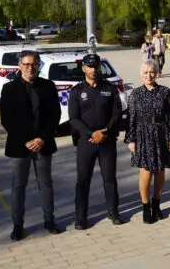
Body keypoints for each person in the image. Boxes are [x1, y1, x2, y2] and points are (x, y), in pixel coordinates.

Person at [0, 51, 63, 241]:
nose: (30, 68)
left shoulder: (48, 87)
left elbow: (55, 116)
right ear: (19, 66)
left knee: (45, 184)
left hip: (43, 144)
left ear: (39, 65)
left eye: (34, 64)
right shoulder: (9, 89)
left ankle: (49, 220)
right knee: (18, 186)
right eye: (26, 64)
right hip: (20, 147)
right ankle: (18, 225)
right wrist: (25, 141)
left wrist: (42, 139)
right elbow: (7, 120)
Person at [69, 54, 126, 229]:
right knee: (83, 180)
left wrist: (105, 131)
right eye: (90, 67)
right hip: (86, 142)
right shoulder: (77, 91)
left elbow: (117, 113)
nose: (94, 70)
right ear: (84, 68)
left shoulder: (110, 88)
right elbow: (73, 118)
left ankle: (113, 211)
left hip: (107, 140)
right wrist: (90, 133)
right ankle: (81, 217)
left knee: (109, 178)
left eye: (96, 66)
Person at [124, 59, 170, 224]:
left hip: (161, 134)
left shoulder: (164, 91)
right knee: (146, 173)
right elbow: (131, 118)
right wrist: (131, 139)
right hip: (142, 135)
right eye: (146, 72)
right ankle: (145, 206)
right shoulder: (135, 93)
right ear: (141, 75)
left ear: (156, 73)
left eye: (152, 72)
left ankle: (157, 204)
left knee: (160, 172)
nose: (149, 75)